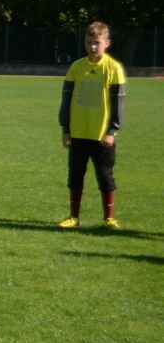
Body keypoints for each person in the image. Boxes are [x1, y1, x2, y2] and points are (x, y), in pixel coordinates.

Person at [59, 21, 126, 230]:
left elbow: (118, 103)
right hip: (78, 133)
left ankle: (109, 218)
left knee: (105, 176)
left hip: (102, 136)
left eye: (97, 42)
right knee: (76, 174)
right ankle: (74, 217)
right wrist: (66, 129)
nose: (92, 47)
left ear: (107, 43)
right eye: (89, 42)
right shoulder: (76, 67)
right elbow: (66, 100)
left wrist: (112, 131)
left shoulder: (113, 68)